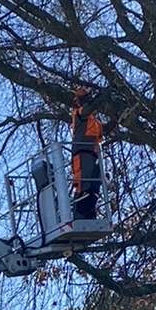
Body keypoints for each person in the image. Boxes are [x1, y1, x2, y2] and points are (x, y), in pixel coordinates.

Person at [69, 89, 104, 222]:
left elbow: (104, 129)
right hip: (82, 155)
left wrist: (118, 119)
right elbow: (88, 109)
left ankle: (89, 213)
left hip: (94, 156)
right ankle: (79, 216)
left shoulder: (94, 122)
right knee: (83, 185)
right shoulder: (79, 114)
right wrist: (101, 97)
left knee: (95, 185)